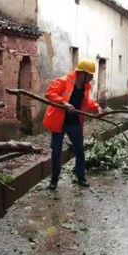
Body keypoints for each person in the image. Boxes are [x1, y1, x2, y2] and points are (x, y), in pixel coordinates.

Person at [43, 59, 102, 190]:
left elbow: (86, 102)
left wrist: (97, 107)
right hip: (59, 122)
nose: (92, 78)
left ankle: (81, 177)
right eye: (90, 75)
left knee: (80, 150)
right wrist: (64, 103)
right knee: (56, 151)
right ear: (82, 73)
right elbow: (49, 93)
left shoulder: (85, 86)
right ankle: (54, 180)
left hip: (75, 123)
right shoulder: (63, 81)